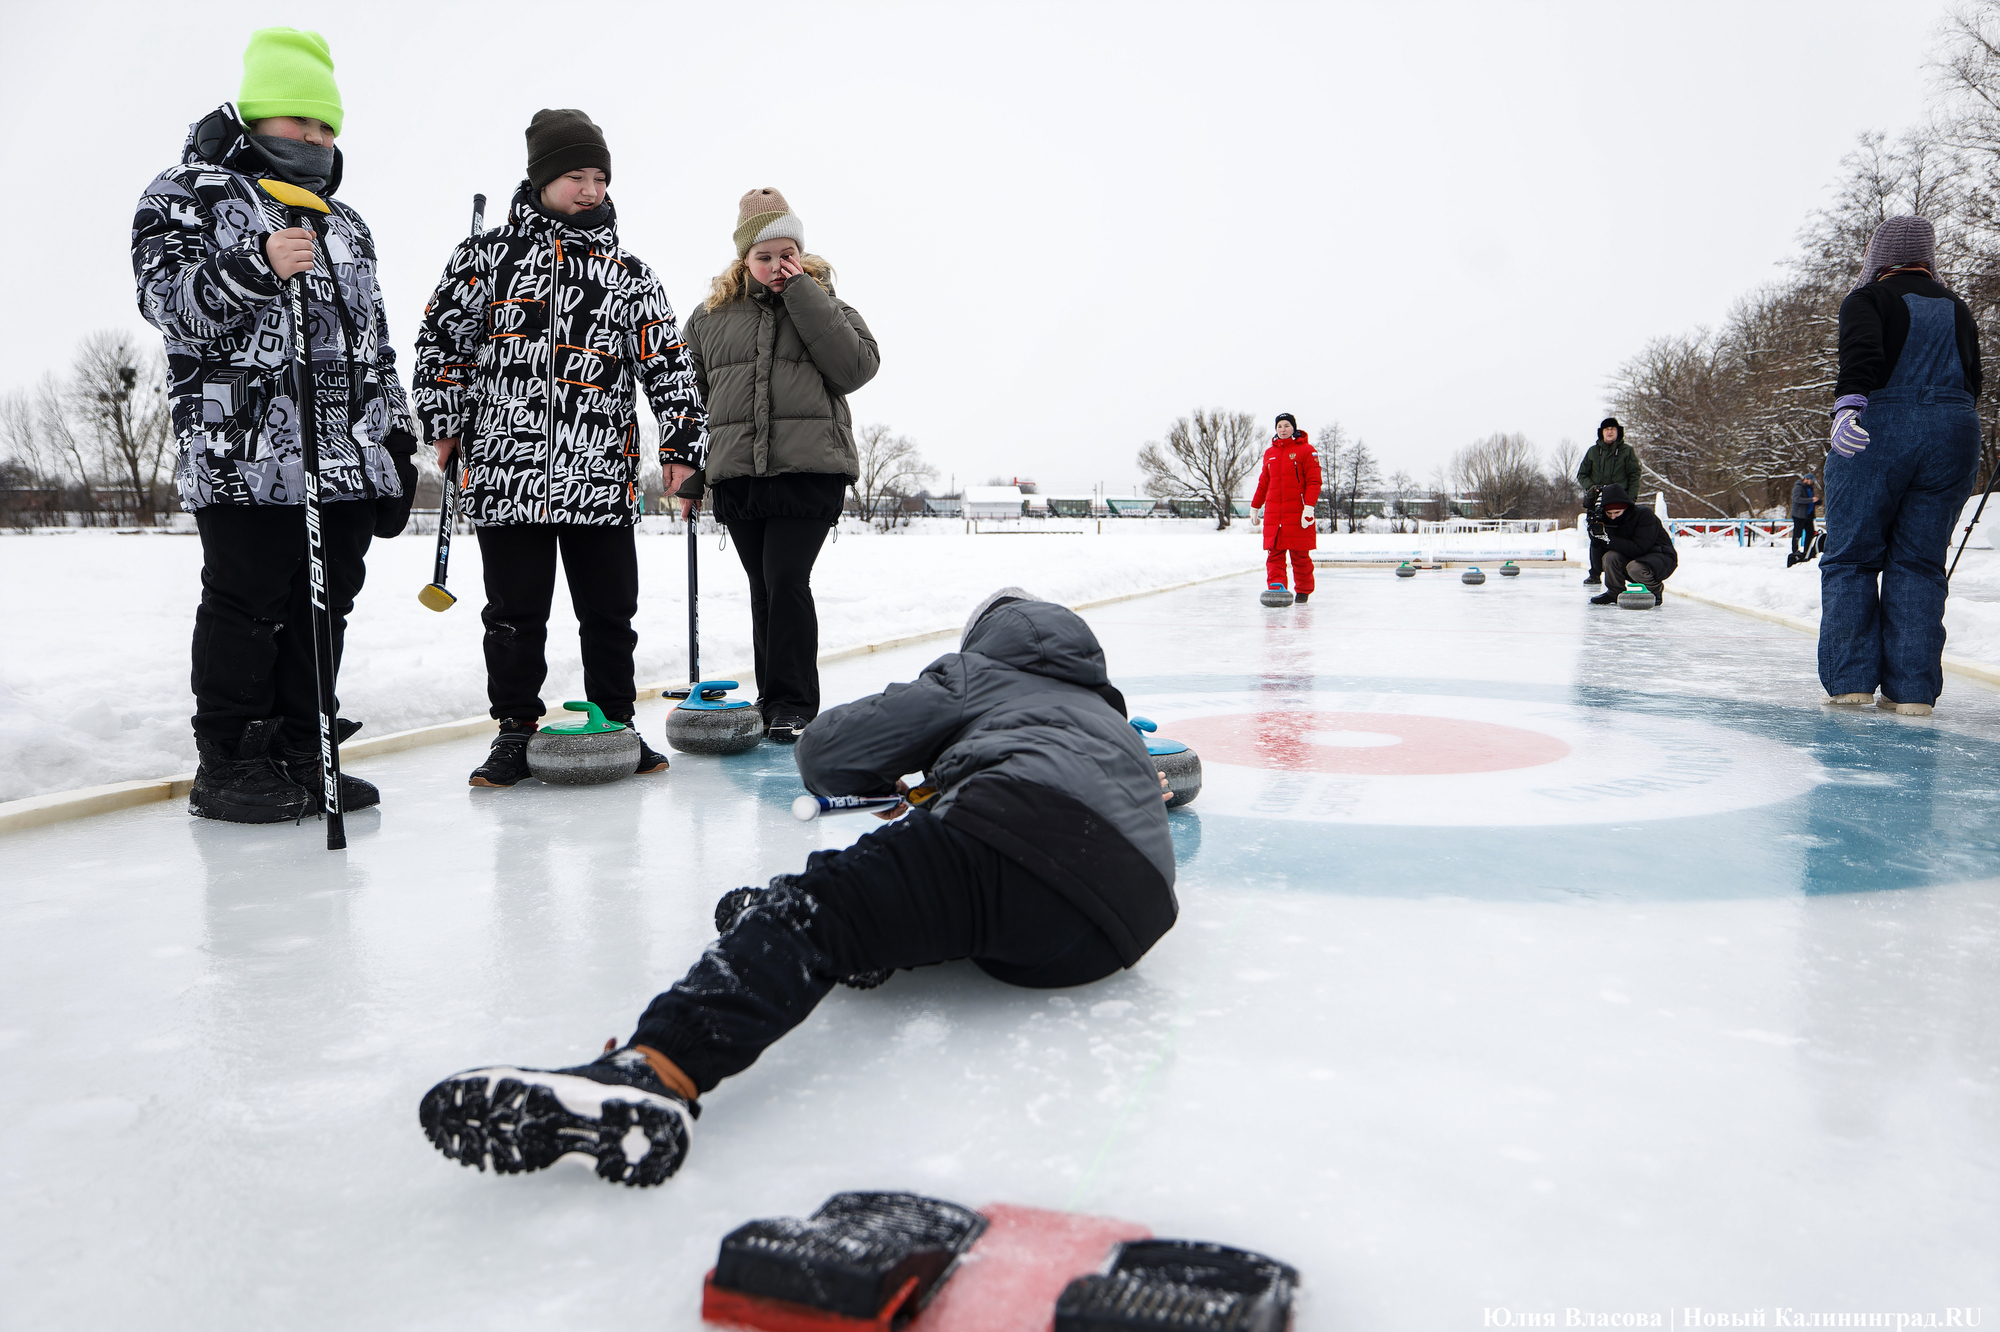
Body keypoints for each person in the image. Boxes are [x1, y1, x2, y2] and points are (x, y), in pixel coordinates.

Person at [417, 589, 1179, 1186]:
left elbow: (828, 751)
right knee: (930, 891)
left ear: (986, 638)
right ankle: (872, 941)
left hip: (1016, 833)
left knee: (822, 907)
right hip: (1117, 926)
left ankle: (655, 1071)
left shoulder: (981, 672)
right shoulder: (1102, 712)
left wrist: (901, 777)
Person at [132, 28, 419, 824]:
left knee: (327, 607)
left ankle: (304, 745)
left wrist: (394, 439)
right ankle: (230, 758)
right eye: (302, 123)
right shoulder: (185, 191)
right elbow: (168, 306)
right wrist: (256, 266)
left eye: (328, 128)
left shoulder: (346, 222)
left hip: (345, 457)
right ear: (260, 116)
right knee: (248, 602)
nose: (318, 141)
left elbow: (375, 343)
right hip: (245, 453)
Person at [412, 110, 704, 786]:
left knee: (610, 611)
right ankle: (515, 729)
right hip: (504, 470)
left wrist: (681, 447)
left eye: (600, 177)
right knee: (514, 613)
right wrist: (446, 424)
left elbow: (669, 365)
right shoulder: (484, 257)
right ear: (542, 179)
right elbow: (440, 346)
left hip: (599, 471)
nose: (591, 189)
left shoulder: (629, 273)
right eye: (576, 175)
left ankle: (618, 721)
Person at [673, 189, 878, 745]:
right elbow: (689, 400)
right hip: (740, 473)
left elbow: (855, 368)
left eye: (787, 253)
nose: (775, 265)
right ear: (744, 259)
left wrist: (804, 294)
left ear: (802, 254)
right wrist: (692, 469)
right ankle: (771, 698)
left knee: (787, 580)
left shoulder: (829, 306)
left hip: (809, 470)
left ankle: (794, 703)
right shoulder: (709, 318)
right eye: (764, 256)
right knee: (763, 586)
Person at [1821, 215, 1983, 717]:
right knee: (1918, 562)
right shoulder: (1958, 306)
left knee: (1851, 557)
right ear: (1926, 255)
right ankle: (1912, 692)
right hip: (1955, 432)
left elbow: (1862, 353)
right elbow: (1974, 380)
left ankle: (1850, 682)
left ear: (1879, 254)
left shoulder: (1867, 298)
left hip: (1881, 426)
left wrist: (1849, 405)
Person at [1251, 413, 1321, 603]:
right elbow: (1264, 482)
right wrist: (1255, 506)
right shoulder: (1270, 453)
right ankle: (1277, 587)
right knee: (1274, 553)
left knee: (1300, 554)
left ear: (1294, 428)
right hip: (1275, 514)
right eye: (1279, 426)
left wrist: (1308, 507)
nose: (1283, 429)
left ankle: (1303, 591)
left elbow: (1314, 482)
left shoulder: (1306, 450)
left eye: (1286, 426)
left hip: (1298, 512)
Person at [1576, 418, 1643, 585]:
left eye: (1612, 429)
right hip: (1597, 501)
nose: (1610, 432)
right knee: (1596, 537)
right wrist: (1592, 488)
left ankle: (1625, 572)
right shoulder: (1593, 451)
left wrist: (1631, 498)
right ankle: (1595, 573)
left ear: (1618, 431)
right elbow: (1582, 474)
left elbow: (1634, 475)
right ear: (1602, 432)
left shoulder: (1627, 451)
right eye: (1606, 429)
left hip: (1621, 502)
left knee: (1624, 536)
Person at [1587, 484, 1676, 606]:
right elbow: (1599, 565)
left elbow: (1640, 548)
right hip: (1633, 557)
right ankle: (1614, 592)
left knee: (1634, 567)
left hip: (1660, 557)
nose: (1613, 517)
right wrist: (1596, 541)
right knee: (1610, 557)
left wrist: (1610, 539)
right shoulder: (1606, 521)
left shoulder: (1644, 515)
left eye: (1617, 512)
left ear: (1626, 508)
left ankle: (1655, 591)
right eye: (1609, 513)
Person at [1788, 473, 1819, 566]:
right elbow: (1797, 499)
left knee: (1810, 533)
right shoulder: (1798, 487)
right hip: (1799, 514)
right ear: (1805, 479)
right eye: (1810, 481)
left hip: (1808, 514)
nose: (1811, 483)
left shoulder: (1809, 488)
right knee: (1797, 533)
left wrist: (1816, 502)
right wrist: (1811, 500)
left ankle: (1807, 550)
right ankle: (1795, 550)